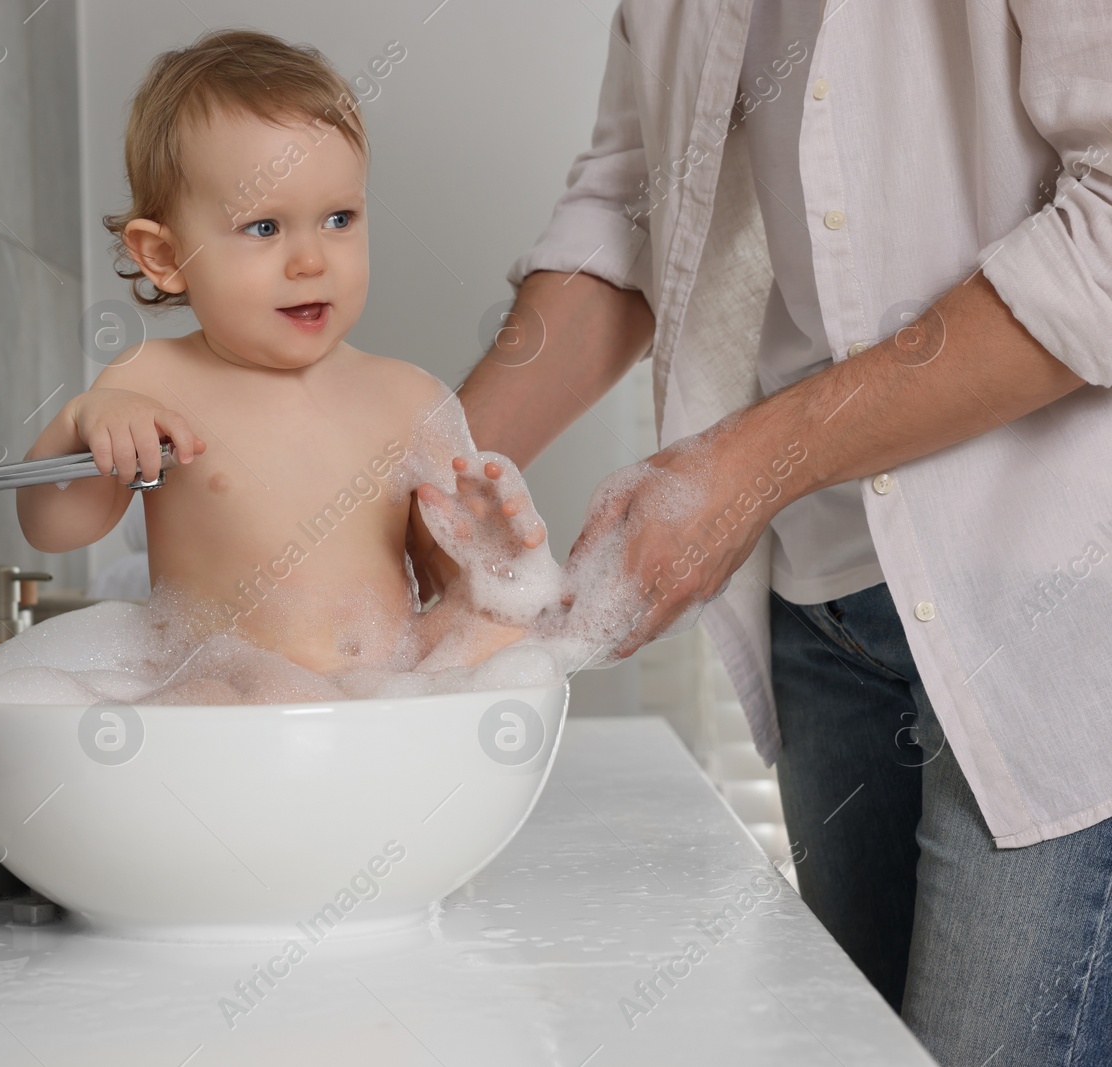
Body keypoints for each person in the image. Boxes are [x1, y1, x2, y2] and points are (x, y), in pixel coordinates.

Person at [440, 2, 1112, 1062]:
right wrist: (419, 493)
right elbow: (636, 201)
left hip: (1052, 605)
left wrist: (749, 466)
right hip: (823, 609)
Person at [16, 29, 545, 701]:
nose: (311, 260)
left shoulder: (408, 399)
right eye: (264, 227)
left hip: (383, 699)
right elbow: (54, 528)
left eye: (338, 218)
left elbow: (445, 579)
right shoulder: (151, 383)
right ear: (165, 257)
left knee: (502, 635)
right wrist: (83, 420)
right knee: (213, 694)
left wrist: (492, 560)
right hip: (228, 694)